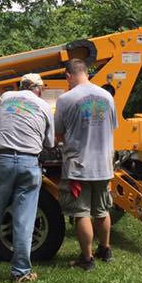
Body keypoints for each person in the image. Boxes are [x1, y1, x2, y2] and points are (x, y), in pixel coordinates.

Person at [0, 72, 54, 283]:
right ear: (40, 89)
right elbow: (49, 143)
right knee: (24, 221)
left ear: (20, 86)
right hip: (29, 163)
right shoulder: (44, 106)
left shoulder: (6, 98)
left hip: (1, 161)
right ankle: (21, 272)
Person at [55, 58, 119, 271]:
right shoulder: (107, 96)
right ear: (87, 73)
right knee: (102, 209)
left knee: (81, 212)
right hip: (104, 164)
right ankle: (106, 249)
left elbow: (58, 135)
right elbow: (113, 127)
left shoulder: (65, 99)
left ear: (68, 76)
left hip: (79, 166)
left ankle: (87, 258)